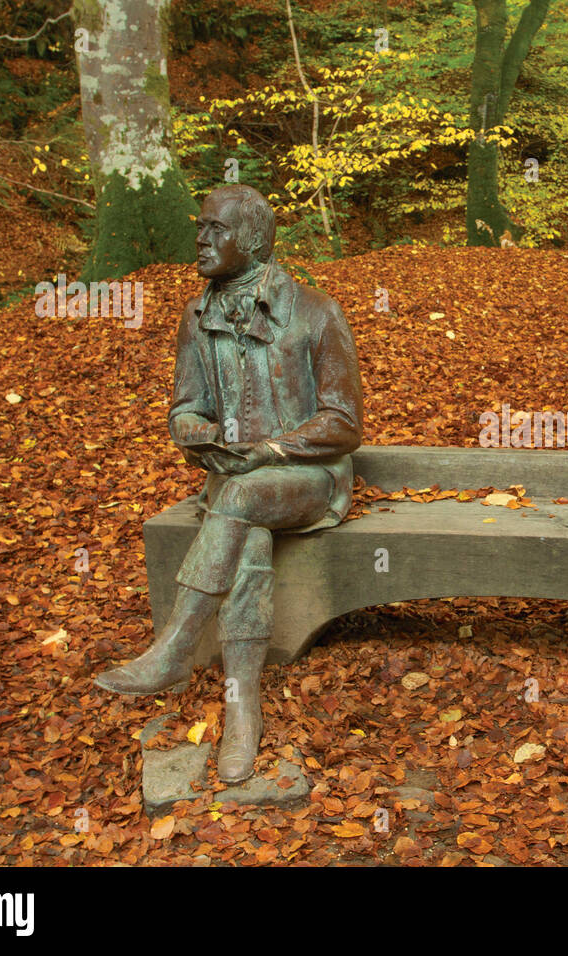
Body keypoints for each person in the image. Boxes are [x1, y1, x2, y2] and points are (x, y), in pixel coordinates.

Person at [95, 184, 363, 783]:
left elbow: (344, 422)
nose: (201, 238)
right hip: (233, 483)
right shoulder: (198, 316)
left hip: (308, 478)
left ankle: (175, 648)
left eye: (216, 228)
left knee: (242, 501)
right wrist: (197, 432)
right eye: (200, 226)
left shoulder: (315, 311)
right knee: (249, 535)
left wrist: (269, 448)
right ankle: (243, 708)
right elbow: (184, 407)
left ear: (254, 240)